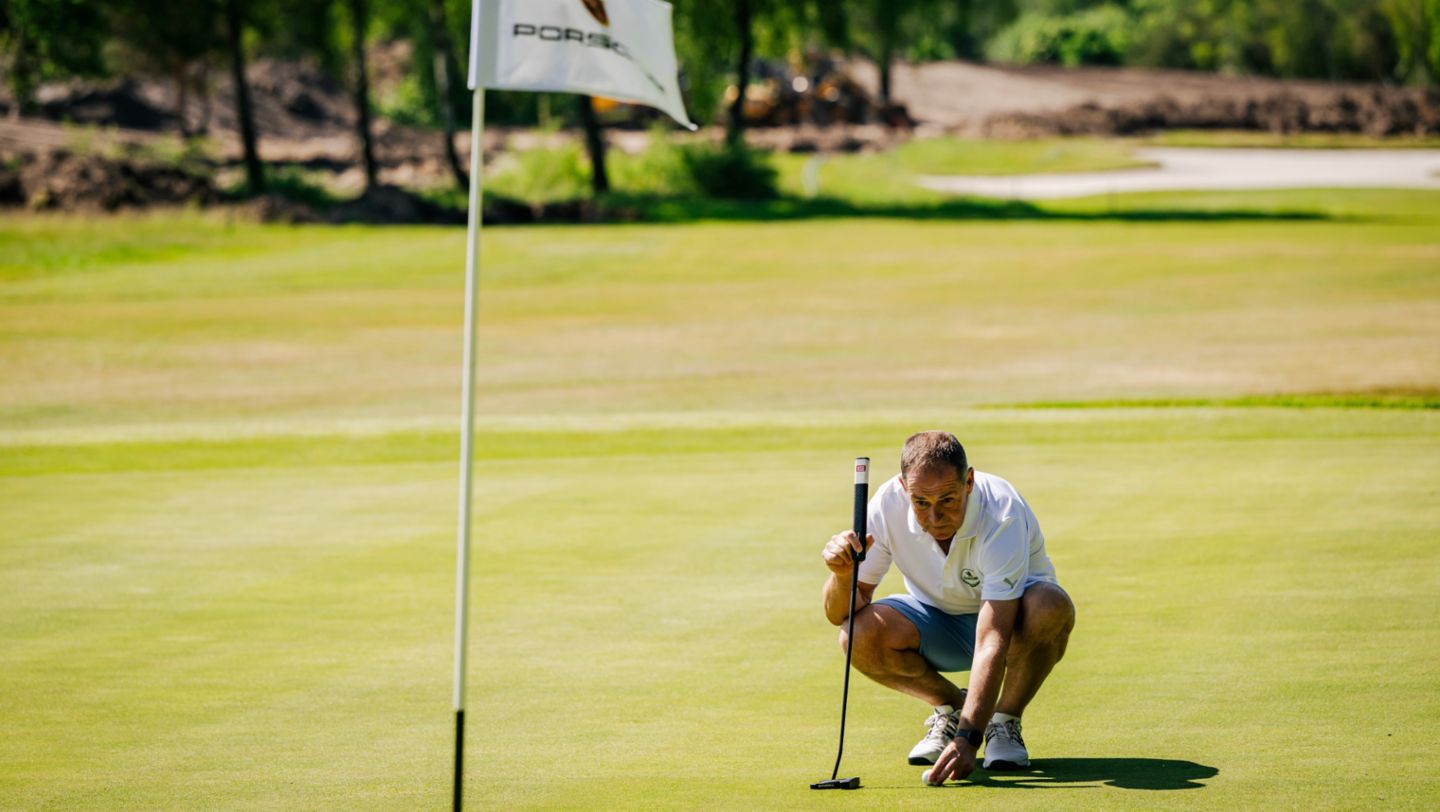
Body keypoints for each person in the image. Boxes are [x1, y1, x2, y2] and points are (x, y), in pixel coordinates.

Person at [821, 431, 1075, 784]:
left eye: (948, 499)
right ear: (902, 486)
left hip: (1016, 624)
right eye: (921, 502)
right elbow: (840, 612)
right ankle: (952, 707)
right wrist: (843, 577)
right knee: (856, 634)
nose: (935, 516)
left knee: (1050, 606)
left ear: (968, 481)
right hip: (938, 623)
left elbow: (993, 637)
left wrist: (969, 739)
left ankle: (1004, 723)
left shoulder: (1001, 512)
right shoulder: (886, 505)